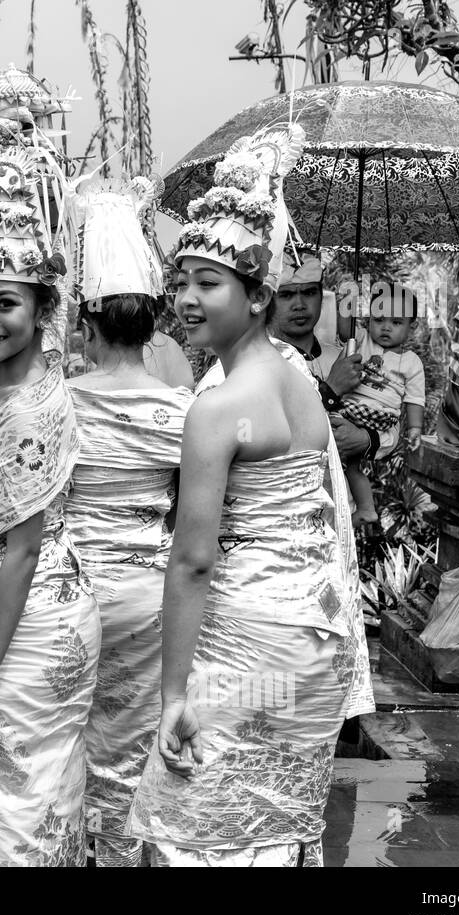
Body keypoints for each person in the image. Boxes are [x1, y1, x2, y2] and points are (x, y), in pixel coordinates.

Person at [130, 123, 367, 866]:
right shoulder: (297, 377)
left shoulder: (216, 406)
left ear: (258, 294)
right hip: (315, 645)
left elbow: (193, 561)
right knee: (275, 831)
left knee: (195, 830)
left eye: (209, 284)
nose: (187, 301)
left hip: (249, 643)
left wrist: (171, 694)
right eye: (181, 281)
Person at [0, 151, 102, 866]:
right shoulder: (3, 396)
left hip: (26, 628)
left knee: (15, 808)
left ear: (43, 309)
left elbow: (23, 550)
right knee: (29, 805)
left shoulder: (33, 405)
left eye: (5, 303)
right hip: (25, 617)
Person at [63, 176, 194, 867]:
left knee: (66, 739)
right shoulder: (182, 411)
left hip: (68, 594)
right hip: (150, 596)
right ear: (153, 329)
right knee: (137, 745)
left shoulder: (58, 405)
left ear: (84, 329)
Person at [271, 255, 377, 467]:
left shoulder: (343, 358)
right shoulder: (258, 364)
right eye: (286, 295)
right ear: (268, 299)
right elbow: (267, 433)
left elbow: (385, 412)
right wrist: (331, 390)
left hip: (345, 497)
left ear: (322, 296)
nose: (299, 304)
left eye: (309, 292)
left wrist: (367, 439)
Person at [334, 286, 427, 527]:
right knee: (351, 465)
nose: (386, 327)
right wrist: (348, 301)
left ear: (412, 327)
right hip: (352, 410)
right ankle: (366, 509)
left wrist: (415, 428)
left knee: (344, 452)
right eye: (379, 319)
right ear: (367, 319)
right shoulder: (362, 341)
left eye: (396, 322)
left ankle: (363, 508)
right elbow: (346, 330)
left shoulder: (411, 362)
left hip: (380, 417)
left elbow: (415, 399)